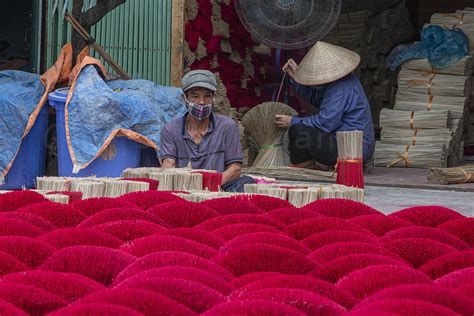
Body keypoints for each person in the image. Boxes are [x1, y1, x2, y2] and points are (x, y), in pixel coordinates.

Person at [275, 41, 375, 170]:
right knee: (301, 125)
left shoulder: (341, 87)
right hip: (347, 142)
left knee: (298, 130)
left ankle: (304, 163)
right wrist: (296, 78)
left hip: (353, 148)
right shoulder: (340, 81)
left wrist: (292, 121)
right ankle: (308, 162)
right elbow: (316, 98)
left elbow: (325, 123)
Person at [160, 69, 255, 192]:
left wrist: (207, 188)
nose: (202, 102)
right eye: (195, 96)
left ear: (214, 98)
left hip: (218, 187)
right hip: (183, 187)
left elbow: (235, 169)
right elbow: (169, 166)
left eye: (207, 96)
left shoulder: (227, 126)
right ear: (184, 98)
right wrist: (188, 189)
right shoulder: (171, 129)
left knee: (246, 182)